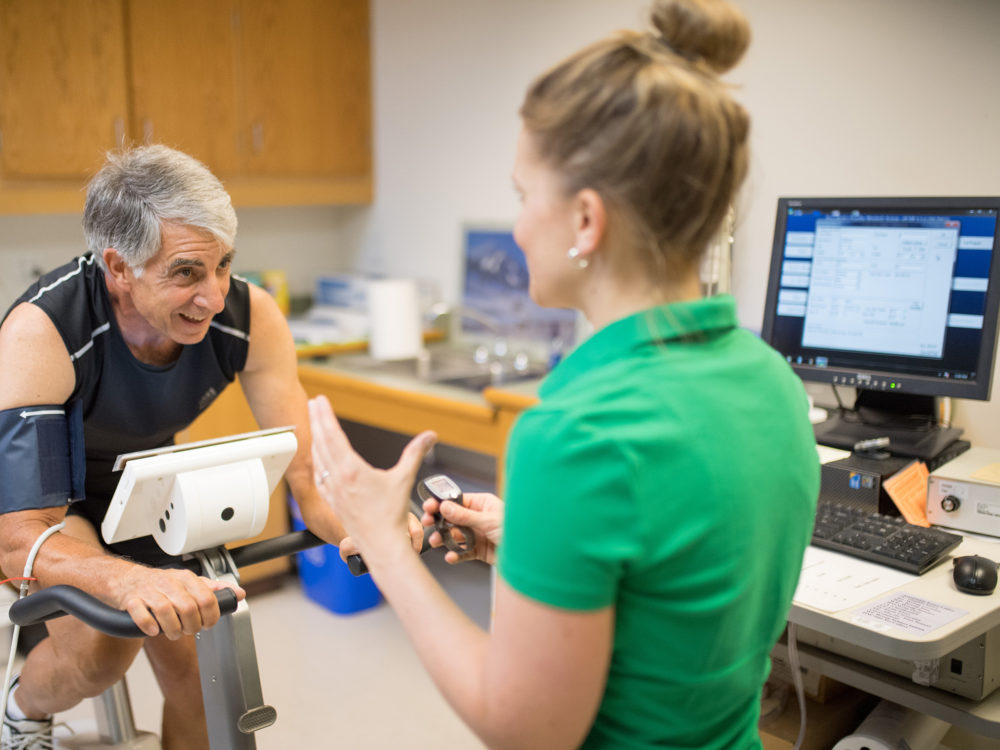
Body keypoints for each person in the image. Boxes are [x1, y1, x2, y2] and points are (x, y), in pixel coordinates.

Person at [308, 0, 820, 747]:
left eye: (523, 196)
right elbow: (675, 589)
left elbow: (526, 732)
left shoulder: (575, 436)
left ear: (585, 219)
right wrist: (533, 543)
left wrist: (382, 543)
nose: (516, 226)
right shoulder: (769, 378)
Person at [0, 144, 354, 750]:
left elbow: (307, 472)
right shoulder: (43, 333)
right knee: (100, 653)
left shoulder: (249, 316)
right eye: (187, 271)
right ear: (118, 267)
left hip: (144, 480)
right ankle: (20, 711)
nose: (214, 297)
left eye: (223, 266)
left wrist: (362, 523)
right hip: (52, 502)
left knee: (201, 674)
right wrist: (128, 583)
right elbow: (18, 536)